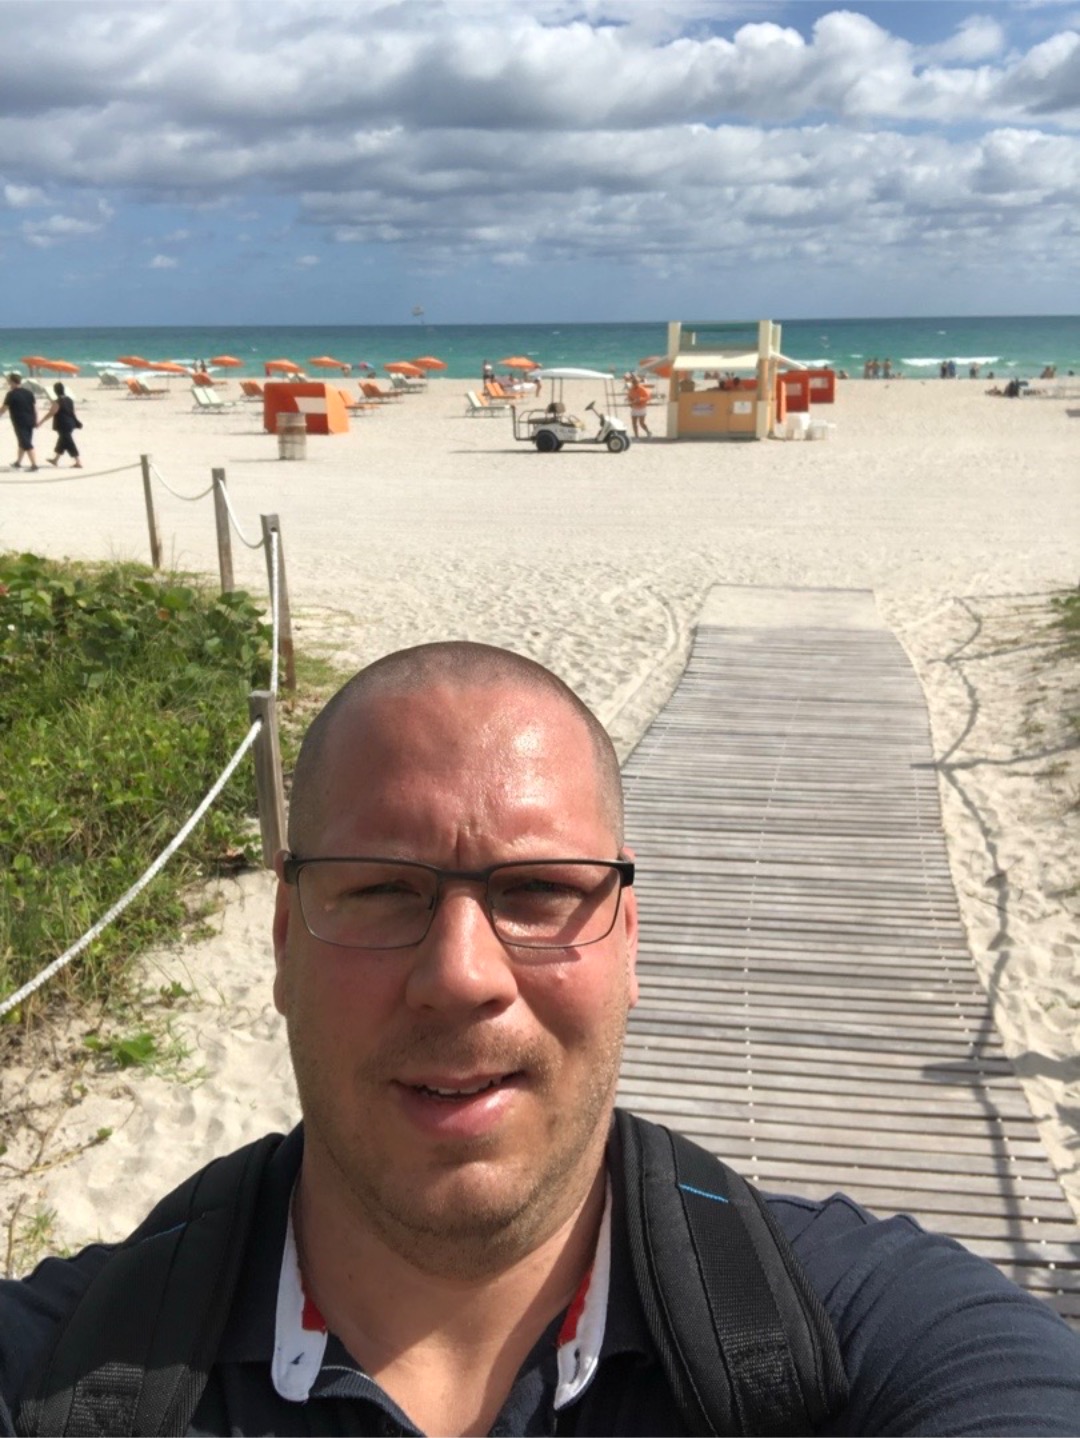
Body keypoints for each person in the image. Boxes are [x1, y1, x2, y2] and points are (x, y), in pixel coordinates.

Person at [2, 642, 1079, 1436]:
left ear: (629, 941)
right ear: (283, 940)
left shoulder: (862, 1334)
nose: (461, 976)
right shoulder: (54, 1371)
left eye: (538, 891)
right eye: (380, 890)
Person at [40, 382, 83, 468]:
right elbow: (72, 412)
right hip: (70, 423)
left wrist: (41, 421)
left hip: (62, 424)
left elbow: (52, 412)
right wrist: (75, 422)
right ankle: (55, 460)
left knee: (69, 442)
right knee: (62, 441)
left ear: (55, 391)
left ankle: (78, 462)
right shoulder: (69, 400)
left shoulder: (57, 401)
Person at [2, 372, 38, 470]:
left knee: (26, 442)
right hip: (30, 420)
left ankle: (34, 465)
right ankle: (18, 462)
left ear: (12, 382)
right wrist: (36, 420)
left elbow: (4, 408)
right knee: (23, 441)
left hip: (19, 421)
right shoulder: (29, 393)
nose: (8, 384)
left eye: (9, 382)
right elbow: (34, 408)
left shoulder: (11, 394)